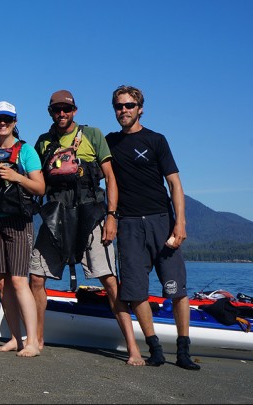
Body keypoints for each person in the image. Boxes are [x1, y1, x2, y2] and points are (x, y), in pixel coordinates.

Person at [30, 90, 144, 365]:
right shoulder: (44, 142)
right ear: (50, 112)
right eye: (56, 110)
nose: (61, 114)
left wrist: (112, 216)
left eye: (66, 110)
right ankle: (38, 338)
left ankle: (133, 348)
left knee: (109, 281)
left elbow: (110, 178)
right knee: (36, 277)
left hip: (91, 214)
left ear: (74, 111)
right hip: (56, 215)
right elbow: (34, 178)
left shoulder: (92, 135)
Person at [106, 85, 200, 370]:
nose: (124, 111)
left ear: (140, 108)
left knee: (177, 289)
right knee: (135, 292)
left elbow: (174, 184)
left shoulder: (156, 140)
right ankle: (154, 348)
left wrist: (180, 223)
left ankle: (183, 351)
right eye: (119, 107)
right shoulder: (109, 142)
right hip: (129, 225)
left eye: (129, 106)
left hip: (161, 220)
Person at [0, 101, 44, 357]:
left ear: (15, 122)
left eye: (7, 119)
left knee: (19, 281)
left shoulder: (26, 151)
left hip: (18, 222)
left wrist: (17, 177)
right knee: (2, 283)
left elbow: (40, 188)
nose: (2, 123)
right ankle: (15, 338)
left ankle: (33, 342)